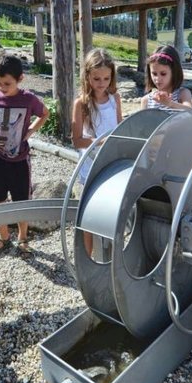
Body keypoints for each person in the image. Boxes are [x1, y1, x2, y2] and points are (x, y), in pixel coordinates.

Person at [0, 52, 49, 260]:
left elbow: (45, 113)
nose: (1, 87)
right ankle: (3, 236)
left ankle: (23, 238)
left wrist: (30, 131)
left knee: (21, 200)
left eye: (6, 83)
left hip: (19, 161)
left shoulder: (28, 99)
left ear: (19, 79)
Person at [72, 49, 123, 256]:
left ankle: (109, 257)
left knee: (110, 211)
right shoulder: (81, 104)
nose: (101, 83)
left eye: (106, 78)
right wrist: (99, 141)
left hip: (110, 163)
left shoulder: (115, 99)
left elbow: (120, 128)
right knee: (89, 214)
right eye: (96, 78)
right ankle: (88, 257)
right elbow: (76, 140)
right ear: (87, 76)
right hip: (90, 166)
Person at [141, 45, 192, 111]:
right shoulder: (146, 100)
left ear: (174, 72)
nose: (158, 78)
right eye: (154, 74)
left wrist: (170, 104)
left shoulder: (182, 94)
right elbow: (143, 120)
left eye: (163, 74)